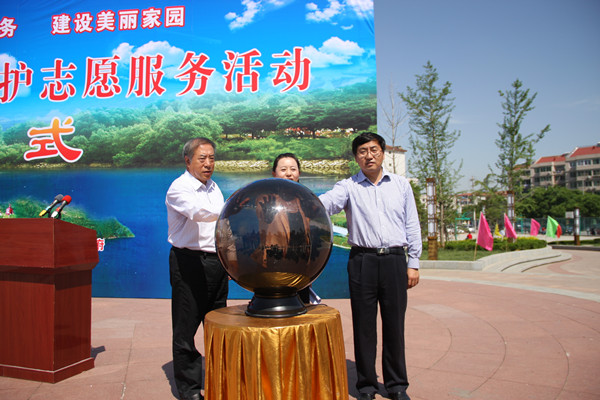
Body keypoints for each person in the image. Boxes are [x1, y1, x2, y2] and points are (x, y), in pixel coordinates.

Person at [319, 132, 421, 400]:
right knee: (364, 326)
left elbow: (412, 224)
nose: (369, 156)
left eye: (374, 150)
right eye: (362, 151)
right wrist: (297, 199)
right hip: (362, 261)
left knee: (394, 325)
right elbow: (325, 203)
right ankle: (366, 386)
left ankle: (397, 385)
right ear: (356, 157)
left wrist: (414, 262)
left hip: (395, 260)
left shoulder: (401, 185)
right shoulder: (348, 186)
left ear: (383, 153)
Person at [165, 137, 229, 400]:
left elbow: (222, 227)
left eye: (212, 158)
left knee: (217, 323)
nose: (208, 164)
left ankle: (219, 380)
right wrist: (232, 209)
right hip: (188, 263)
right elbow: (197, 212)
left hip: (216, 263)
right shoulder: (178, 188)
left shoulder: (215, 187)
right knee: (186, 328)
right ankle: (189, 390)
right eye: (202, 158)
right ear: (188, 160)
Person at [271, 153, 321, 305]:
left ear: (299, 173)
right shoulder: (266, 199)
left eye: (293, 169)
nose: (289, 174)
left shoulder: (305, 201)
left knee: (301, 311)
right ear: (274, 174)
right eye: (283, 169)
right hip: (274, 269)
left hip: (300, 271)